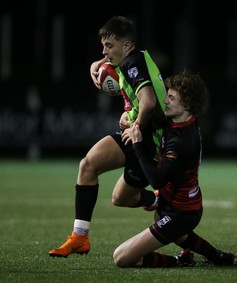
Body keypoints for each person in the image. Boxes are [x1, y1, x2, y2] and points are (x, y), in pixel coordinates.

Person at [49, 16, 167, 257]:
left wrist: (136, 125)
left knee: (120, 198)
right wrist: (97, 63)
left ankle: (159, 202)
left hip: (151, 143)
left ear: (127, 46)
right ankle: (79, 238)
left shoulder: (133, 64)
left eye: (109, 46)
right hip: (135, 135)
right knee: (88, 165)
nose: (104, 51)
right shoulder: (131, 57)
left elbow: (149, 101)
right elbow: (136, 98)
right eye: (102, 45)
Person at [112, 70, 236, 268]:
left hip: (181, 213)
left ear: (187, 105)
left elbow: (156, 179)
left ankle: (179, 260)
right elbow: (149, 113)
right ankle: (216, 256)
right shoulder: (182, 120)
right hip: (178, 201)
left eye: (171, 98)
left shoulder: (181, 141)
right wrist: (128, 115)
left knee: (122, 257)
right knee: (161, 220)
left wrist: (137, 144)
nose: (166, 101)